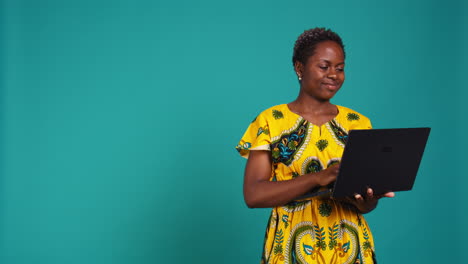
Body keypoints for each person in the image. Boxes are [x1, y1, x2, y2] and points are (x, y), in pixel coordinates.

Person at [235, 28, 394, 264]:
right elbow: (253, 195)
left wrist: (368, 201)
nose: (334, 74)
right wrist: (318, 178)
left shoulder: (358, 123)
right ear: (300, 68)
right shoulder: (270, 121)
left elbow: (364, 205)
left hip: (349, 247)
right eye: (324, 66)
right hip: (290, 248)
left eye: (340, 68)